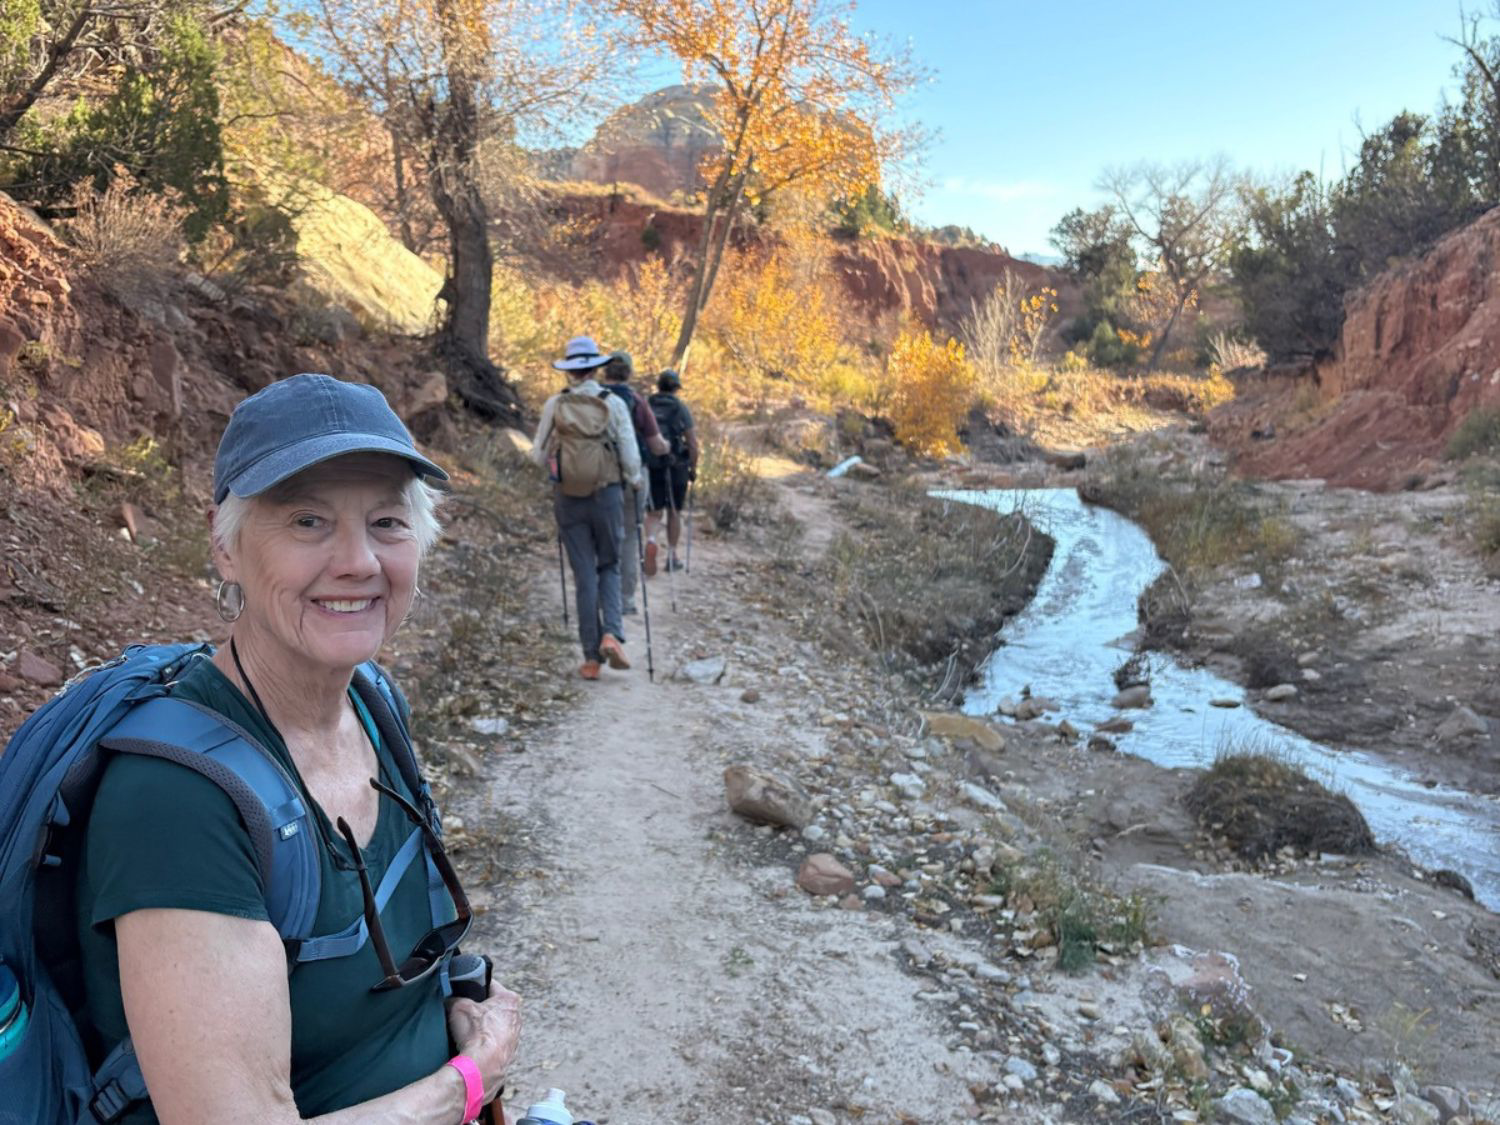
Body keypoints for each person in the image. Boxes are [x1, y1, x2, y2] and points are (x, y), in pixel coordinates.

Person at [74, 374, 521, 1123]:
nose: (358, 561)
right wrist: (471, 1078)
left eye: (386, 521)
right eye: (308, 521)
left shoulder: (375, 701)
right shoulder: (175, 801)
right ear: (225, 544)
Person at [530, 335, 643, 679]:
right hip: (606, 494)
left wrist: (558, 463)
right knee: (609, 564)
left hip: (568, 498)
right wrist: (633, 480)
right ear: (596, 367)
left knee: (584, 575)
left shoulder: (556, 403)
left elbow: (536, 454)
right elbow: (630, 456)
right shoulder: (614, 403)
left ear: (570, 371)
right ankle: (612, 632)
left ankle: (591, 659)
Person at [600, 350, 669, 615]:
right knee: (629, 535)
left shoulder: (592, 398)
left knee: (601, 535)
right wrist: (667, 447)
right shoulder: (636, 401)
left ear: (604, 371)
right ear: (629, 373)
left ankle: (601, 597)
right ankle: (626, 600)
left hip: (597, 475)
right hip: (633, 475)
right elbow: (655, 444)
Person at [643, 369, 698, 576]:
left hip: (653, 465)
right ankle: (672, 556)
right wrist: (693, 468)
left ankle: (650, 541)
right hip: (676, 466)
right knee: (674, 511)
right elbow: (692, 442)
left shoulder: (646, 404)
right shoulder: (680, 407)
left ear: (658, 386)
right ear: (676, 388)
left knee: (654, 512)